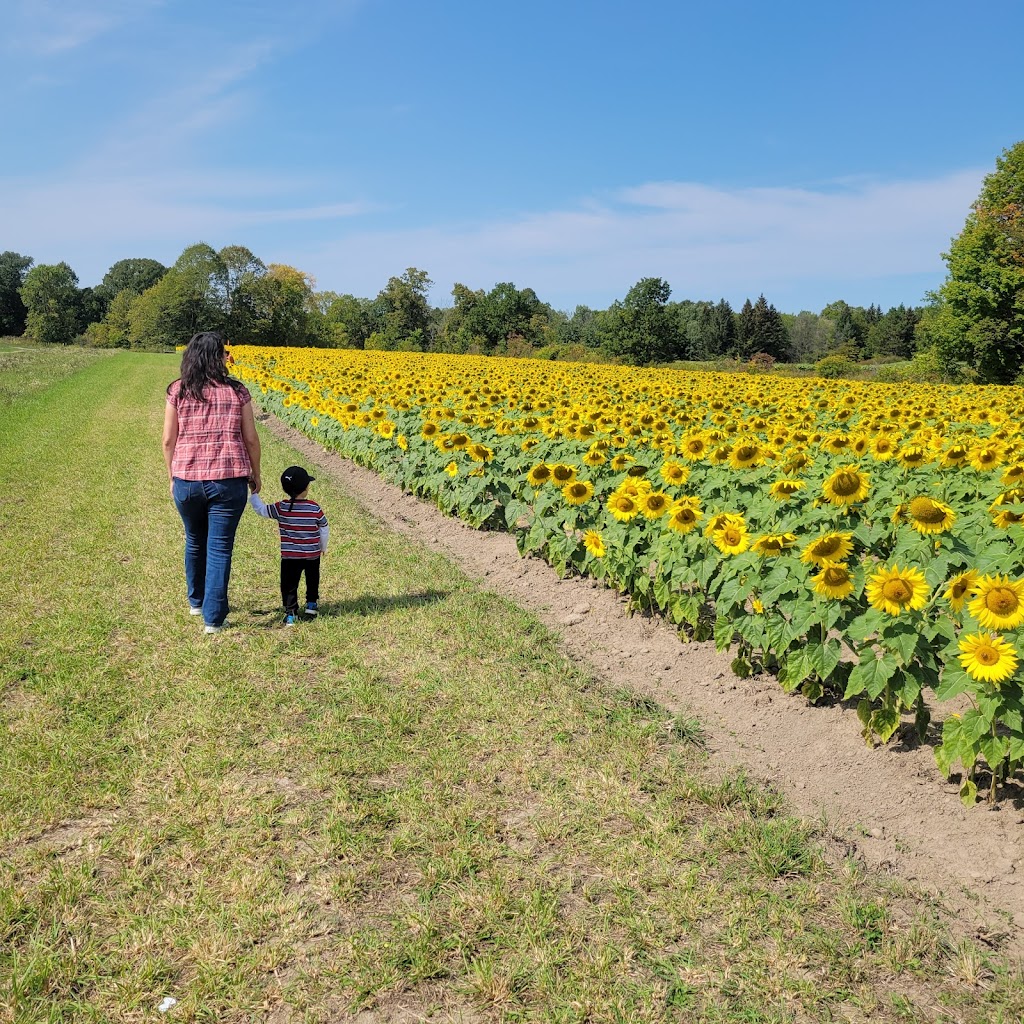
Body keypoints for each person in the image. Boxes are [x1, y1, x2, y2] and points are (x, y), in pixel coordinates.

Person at [163, 331, 262, 634]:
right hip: (229, 478)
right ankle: (213, 619)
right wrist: (256, 474)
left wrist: (172, 475)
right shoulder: (238, 391)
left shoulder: (178, 390)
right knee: (219, 548)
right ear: (220, 357)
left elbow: (168, 440)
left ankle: (196, 601)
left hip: (187, 478)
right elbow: (250, 438)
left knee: (194, 540)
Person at [248, 465, 329, 625]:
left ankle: (291, 613)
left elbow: (261, 510)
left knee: (289, 584)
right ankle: (311, 604)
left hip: (290, 557)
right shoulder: (314, 507)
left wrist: (254, 493)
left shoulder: (281, 508)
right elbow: (324, 528)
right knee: (313, 579)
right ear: (306, 488)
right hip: (312, 554)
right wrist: (323, 547)